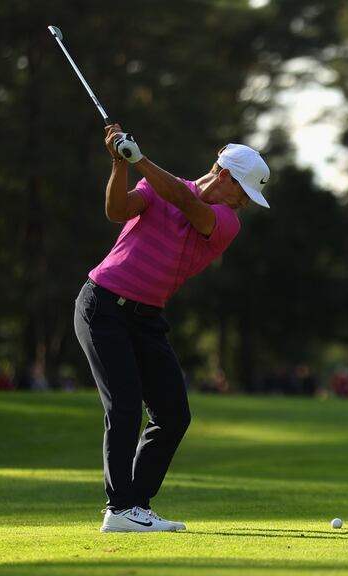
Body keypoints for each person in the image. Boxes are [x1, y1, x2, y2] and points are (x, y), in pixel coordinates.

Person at [74, 124, 269, 533]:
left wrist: (139, 158)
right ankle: (120, 508)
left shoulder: (225, 221)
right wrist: (120, 163)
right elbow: (116, 211)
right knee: (124, 405)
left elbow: (184, 200)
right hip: (103, 305)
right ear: (224, 175)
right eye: (244, 193)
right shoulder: (156, 186)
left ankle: (135, 505)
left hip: (145, 318)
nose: (244, 203)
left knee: (173, 414)